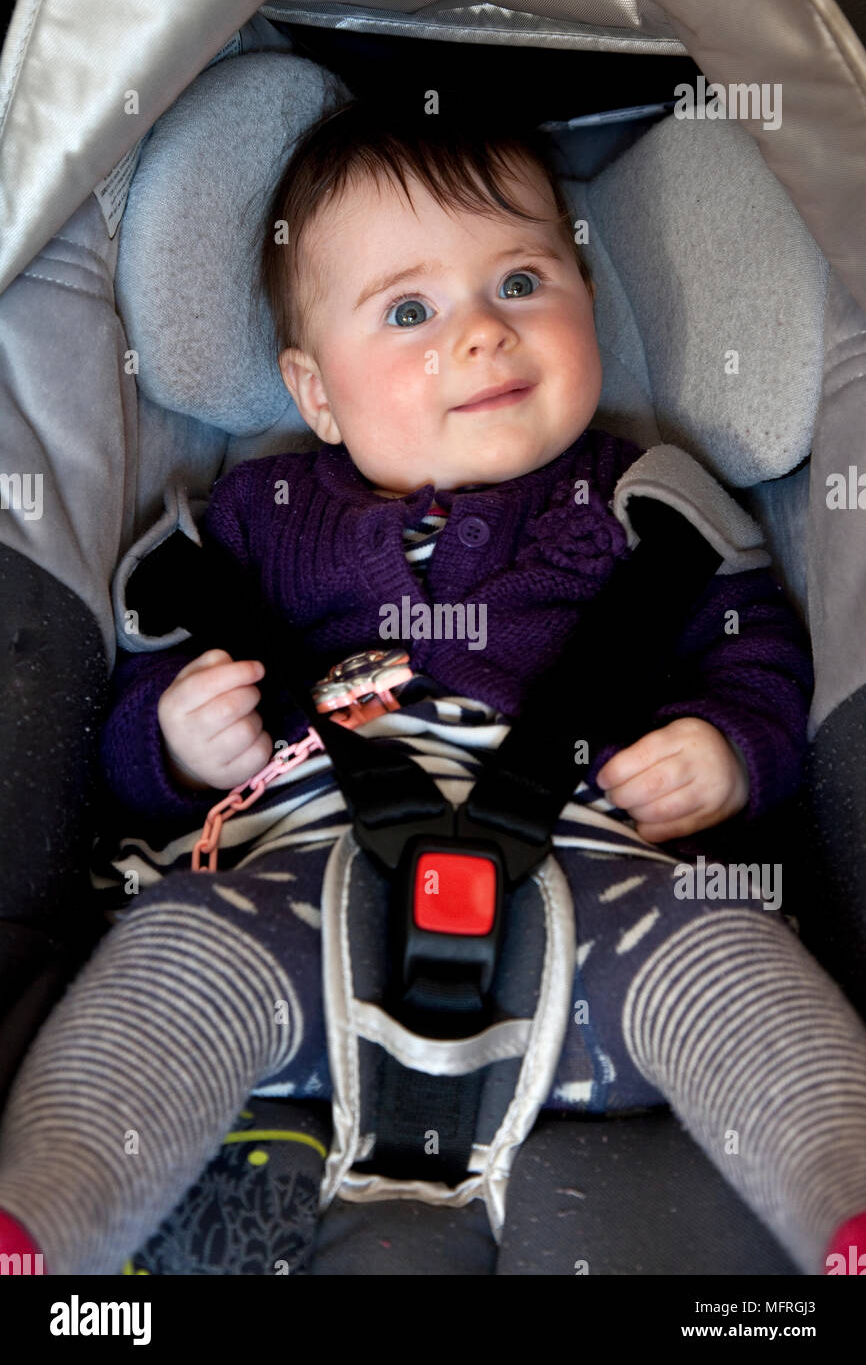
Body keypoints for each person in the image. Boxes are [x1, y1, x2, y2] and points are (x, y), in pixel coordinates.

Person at [0, 100, 864, 1277]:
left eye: (519, 282)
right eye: (409, 310)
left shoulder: (650, 510)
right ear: (313, 393)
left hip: (595, 906)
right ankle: (43, 1224)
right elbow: (131, 724)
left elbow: (753, 653)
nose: (477, 335)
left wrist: (727, 747)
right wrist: (175, 738)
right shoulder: (252, 527)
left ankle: (844, 1212)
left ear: (585, 300)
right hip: (300, 900)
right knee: (171, 944)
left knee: (727, 952)